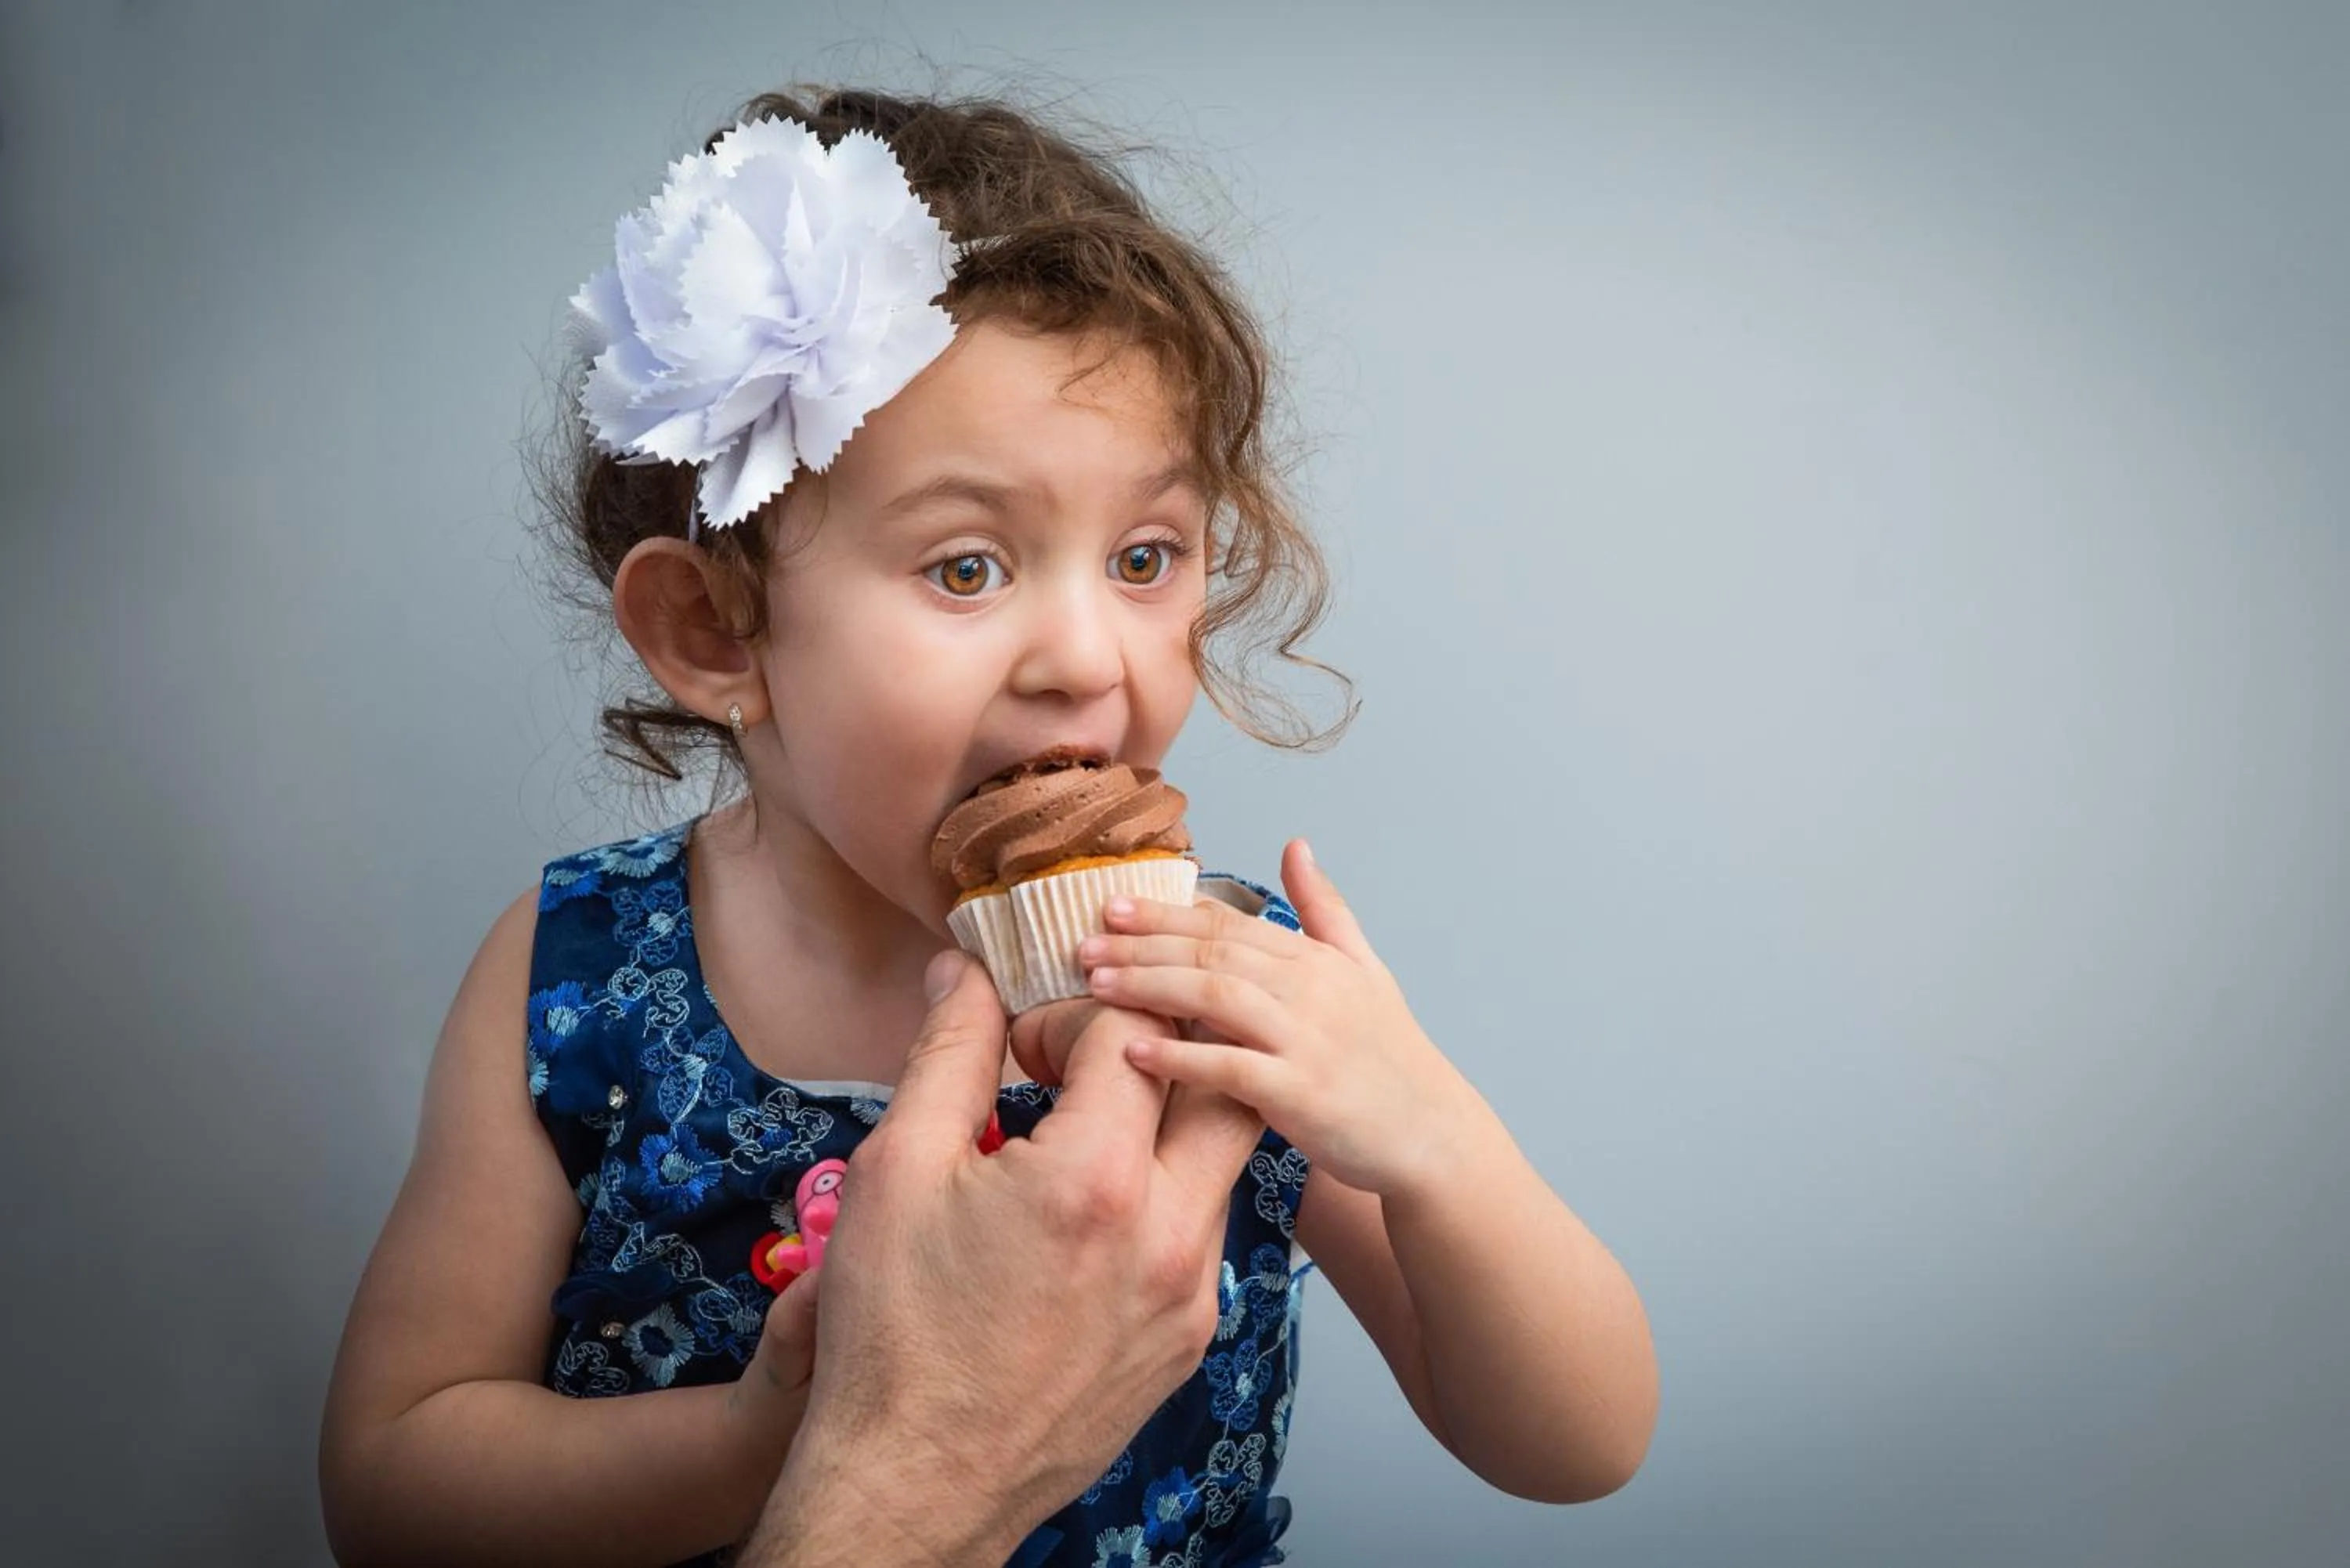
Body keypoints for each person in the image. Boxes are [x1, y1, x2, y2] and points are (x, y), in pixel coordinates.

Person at [318, 86, 1656, 1568]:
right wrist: (781, 1438)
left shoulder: (1220, 989)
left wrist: (1433, 1138)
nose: (1091, 656)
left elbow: (1578, 1442)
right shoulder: (577, 971)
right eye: (967, 568)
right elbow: (394, 1487)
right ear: (715, 630)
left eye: (1147, 554)